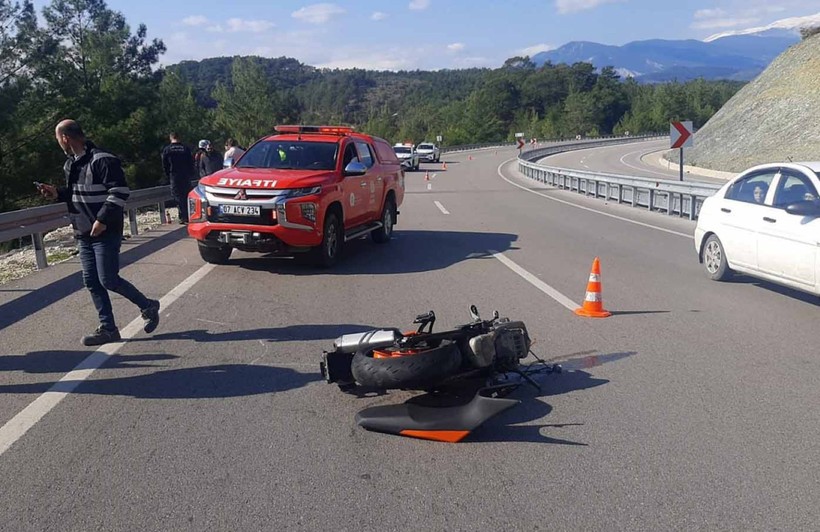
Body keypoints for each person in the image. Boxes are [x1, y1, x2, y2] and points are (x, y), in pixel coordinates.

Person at [37, 119, 160, 346]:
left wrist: (102, 220)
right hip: (83, 231)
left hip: (106, 231)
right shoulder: (71, 164)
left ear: (65, 138)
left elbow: (120, 192)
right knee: (91, 281)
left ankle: (148, 306)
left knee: (108, 279)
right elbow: (75, 194)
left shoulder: (103, 160)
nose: (57, 143)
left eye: (57, 138)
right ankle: (108, 328)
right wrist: (57, 193)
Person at [161, 132, 196, 223]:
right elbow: (191, 162)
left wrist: (168, 174)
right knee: (186, 195)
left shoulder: (167, 149)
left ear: (171, 138)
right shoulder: (185, 148)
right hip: (185, 176)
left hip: (174, 175)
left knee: (177, 196)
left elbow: (164, 164)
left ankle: (182, 216)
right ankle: (188, 215)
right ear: (179, 137)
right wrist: (191, 173)